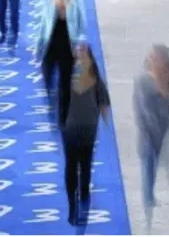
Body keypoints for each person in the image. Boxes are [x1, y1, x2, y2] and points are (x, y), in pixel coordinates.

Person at [133, 44, 169, 231]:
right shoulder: (143, 80)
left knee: (159, 163)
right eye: (153, 58)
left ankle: (159, 196)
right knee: (148, 166)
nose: (154, 61)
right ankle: (148, 206)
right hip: (147, 133)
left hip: (164, 128)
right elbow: (143, 109)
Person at [62, 45, 111, 226]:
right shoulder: (92, 79)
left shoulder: (91, 79)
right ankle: (77, 202)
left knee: (79, 165)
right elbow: (104, 103)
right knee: (77, 166)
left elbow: (104, 102)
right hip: (77, 128)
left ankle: (81, 199)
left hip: (82, 129)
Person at [35, 0, 87, 127]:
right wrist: (38, 46)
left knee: (65, 83)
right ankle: (52, 99)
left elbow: (82, 24)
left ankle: (63, 117)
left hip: (68, 46)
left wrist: (79, 44)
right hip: (51, 43)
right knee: (46, 73)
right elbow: (44, 25)